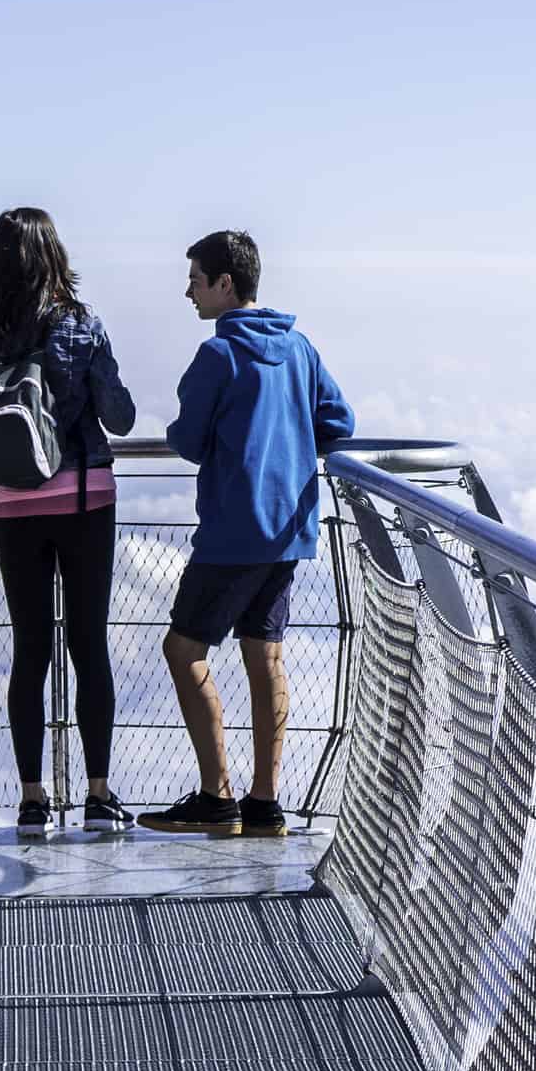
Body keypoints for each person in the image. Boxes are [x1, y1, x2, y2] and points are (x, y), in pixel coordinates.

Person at [143, 229, 354, 837]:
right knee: (265, 655)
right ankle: (266, 802)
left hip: (232, 533)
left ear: (224, 283)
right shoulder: (300, 348)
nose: (189, 292)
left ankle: (218, 795)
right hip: (287, 530)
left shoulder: (219, 355)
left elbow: (187, 440)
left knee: (183, 651)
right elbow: (339, 421)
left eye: (196, 279)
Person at [0, 207, 140, 835]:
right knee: (89, 645)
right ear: (55, 255)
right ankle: (97, 796)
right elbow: (120, 418)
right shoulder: (81, 327)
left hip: (13, 504)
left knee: (29, 650)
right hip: (85, 500)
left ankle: (33, 800)